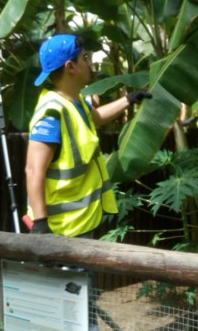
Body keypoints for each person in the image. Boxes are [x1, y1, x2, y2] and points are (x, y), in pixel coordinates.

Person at [25, 33, 152, 238]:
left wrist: (129, 99)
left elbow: (97, 117)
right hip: (61, 232)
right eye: (85, 58)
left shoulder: (75, 102)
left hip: (81, 223)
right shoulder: (52, 113)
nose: (90, 63)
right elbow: (33, 170)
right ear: (70, 67)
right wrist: (40, 224)